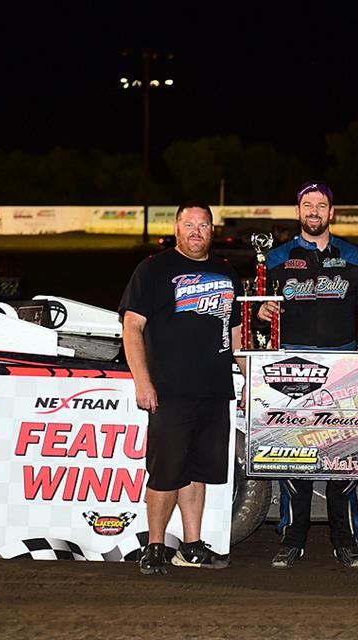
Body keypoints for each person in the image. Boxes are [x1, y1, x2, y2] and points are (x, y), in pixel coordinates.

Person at [256, 181, 358, 568]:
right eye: (307, 205)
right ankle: (292, 538)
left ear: (332, 212)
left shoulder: (354, 257)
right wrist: (262, 315)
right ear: (298, 212)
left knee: (341, 457)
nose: (314, 211)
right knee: (292, 458)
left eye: (321, 205)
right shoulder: (276, 258)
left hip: (342, 367)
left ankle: (345, 539)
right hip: (290, 370)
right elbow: (255, 312)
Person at [120, 200, 246, 575]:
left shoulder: (226, 273)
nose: (196, 231)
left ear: (212, 230)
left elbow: (236, 335)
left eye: (203, 225)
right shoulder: (153, 270)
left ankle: (191, 546)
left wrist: (252, 377)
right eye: (188, 225)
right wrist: (142, 381)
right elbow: (131, 328)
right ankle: (155, 546)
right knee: (165, 473)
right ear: (176, 229)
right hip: (170, 391)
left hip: (214, 391)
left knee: (197, 472)